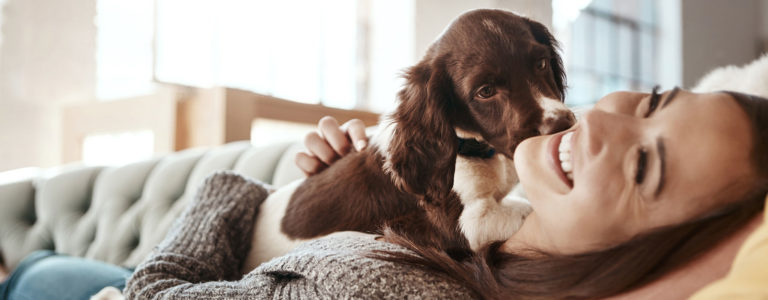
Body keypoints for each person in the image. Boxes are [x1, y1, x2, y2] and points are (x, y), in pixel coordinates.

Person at [1, 88, 767, 299]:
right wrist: (316, 197)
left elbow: (153, 296)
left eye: (643, 169)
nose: (601, 123)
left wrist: (235, 192)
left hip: (118, 286)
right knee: (42, 267)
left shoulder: (392, 294)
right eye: (654, 101)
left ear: (652, 259)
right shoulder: (479, 230)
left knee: (38, 277)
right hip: (113, 271)